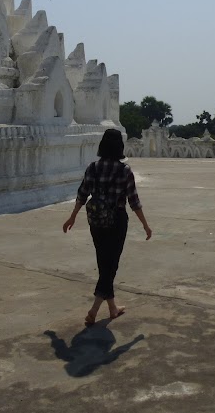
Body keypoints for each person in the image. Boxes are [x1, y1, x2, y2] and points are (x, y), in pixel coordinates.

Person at [62, 129, 152, 327]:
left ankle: (112, 308)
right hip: (117, 220)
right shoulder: (124, 171)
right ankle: (94, 309)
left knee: (104, 262)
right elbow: (134, 201)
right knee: (111, 265)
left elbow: (82, 194)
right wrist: (145, 225)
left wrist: (72, 217)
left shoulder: (92, 168)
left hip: (96, 220)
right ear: (119, 147)